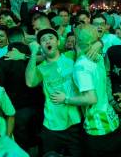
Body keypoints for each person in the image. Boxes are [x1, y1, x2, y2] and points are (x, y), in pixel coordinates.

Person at [51, 24, 121, 157]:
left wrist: (66, 99)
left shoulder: (81, 66)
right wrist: (99, 43)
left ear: (77, 40)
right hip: (111, 120)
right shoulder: (98, 57)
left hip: (98, 127)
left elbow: (91, 98)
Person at [25, 28, 83, 156]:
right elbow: (30, 82)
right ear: (41, 46)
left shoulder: (71, 57)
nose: (47, 41)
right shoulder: (41, 68)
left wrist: (99, 43)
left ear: (57, 41)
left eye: (51, 38)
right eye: (43, 40)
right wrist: (34, 53)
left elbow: (86, 42)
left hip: (75, 123)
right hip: (52, 126)